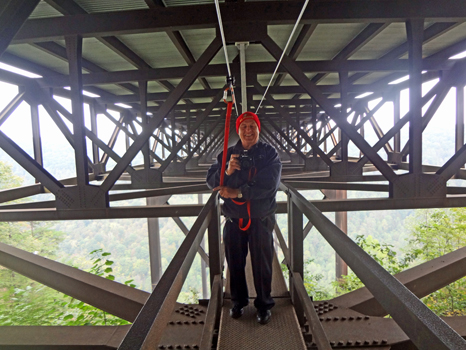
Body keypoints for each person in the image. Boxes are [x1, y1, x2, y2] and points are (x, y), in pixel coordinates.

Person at [206, 111, 282, 325]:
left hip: (260, 220)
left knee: (262, 263)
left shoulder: (269, 154)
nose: (248, 131)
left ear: (258, 129)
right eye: (244, 127)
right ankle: (238, 302)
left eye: (252, 126)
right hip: (234, 219)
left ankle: (264, 305)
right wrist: (228, 171)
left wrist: (237, 192)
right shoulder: (227, 155)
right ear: (238, 131)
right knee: (235, 263)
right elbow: (212, 182)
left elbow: (269, 185)